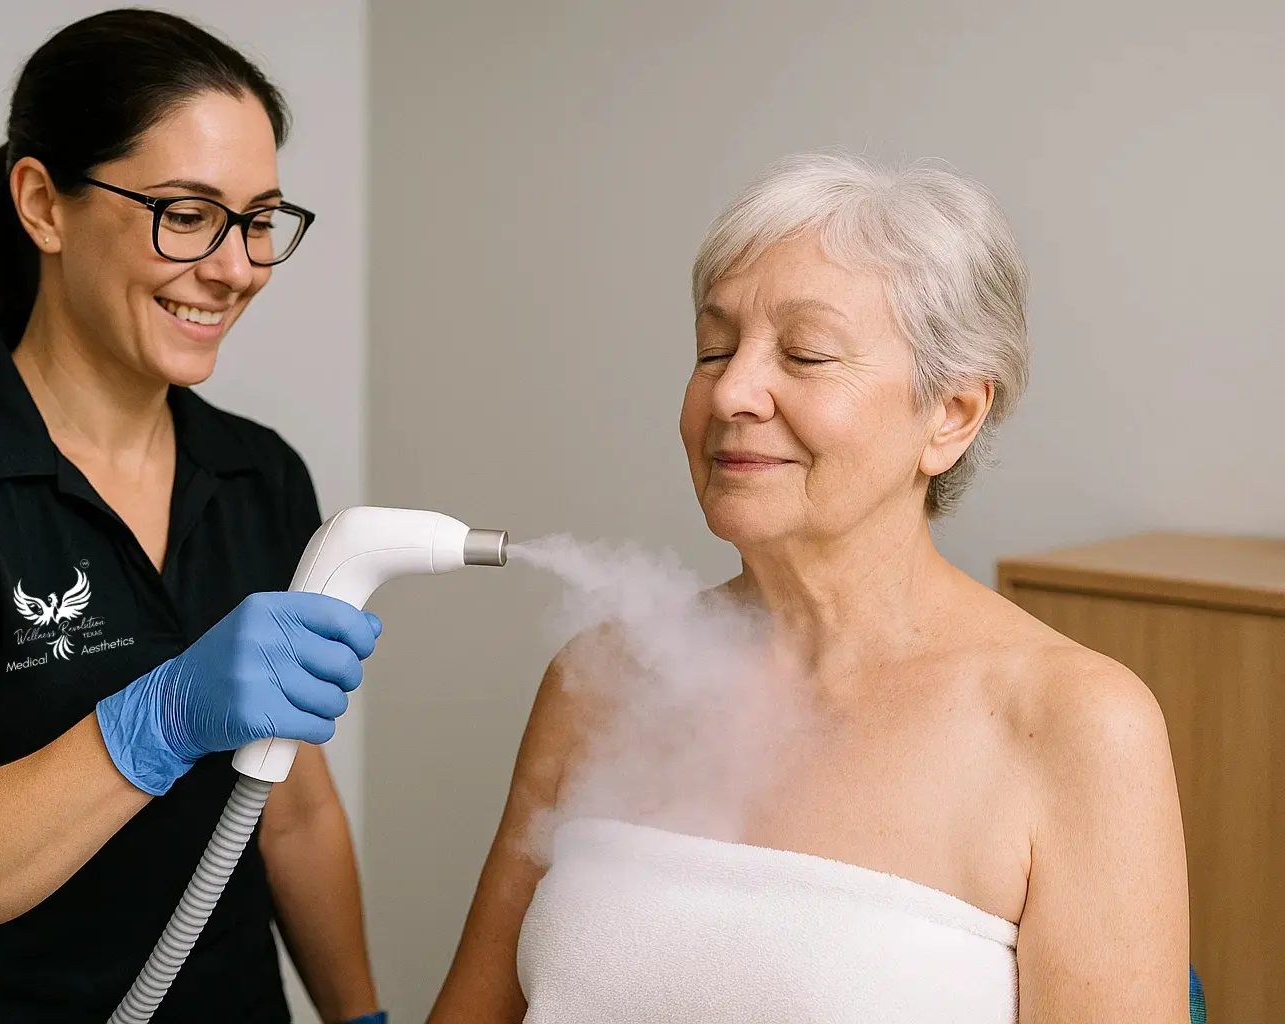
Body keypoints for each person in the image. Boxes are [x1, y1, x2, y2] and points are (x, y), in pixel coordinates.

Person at [429, 152, 1191, 1022]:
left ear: (951, 415)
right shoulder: (598, 680)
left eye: (806, 353)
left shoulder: (1071, 722)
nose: (733, 392)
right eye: (714, 349)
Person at [0, 10, 387, 1023]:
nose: (237, 267)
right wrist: (155, 718)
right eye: (187, 213)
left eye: (260, 219)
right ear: (43, 205)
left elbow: (292, 812)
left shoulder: (259, 478)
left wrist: (359, 1014)